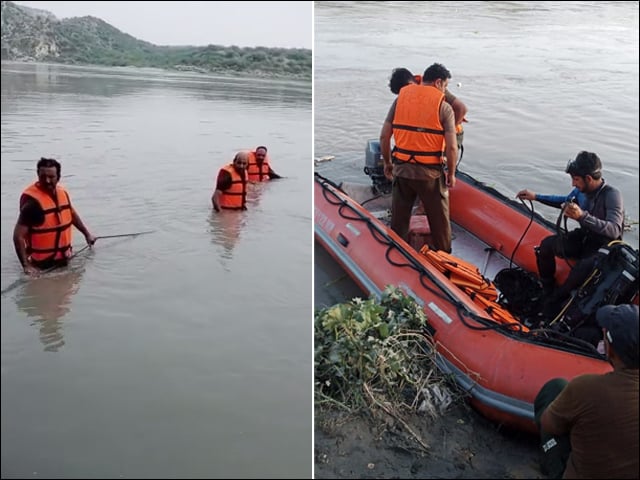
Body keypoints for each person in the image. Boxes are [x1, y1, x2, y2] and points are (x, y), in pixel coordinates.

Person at [534, 303, 638, 479]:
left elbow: (548, 423)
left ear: (610, 347)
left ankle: (553, 469)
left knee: (554, 389)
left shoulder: (585, 388)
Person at [516, 152, 624, 302]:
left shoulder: (612, 195)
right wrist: (536, 197)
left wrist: (582, 216)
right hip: (584, 237)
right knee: (546, 245)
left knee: (579, 271)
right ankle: (547, 287)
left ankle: (557, 300)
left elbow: (614, 230)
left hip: (603, 247)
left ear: (588, 178)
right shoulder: (581, 191)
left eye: (576, 179)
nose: (573, 184)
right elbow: (564, 201)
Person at [380, 62, 458, 252]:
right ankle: (445, 261)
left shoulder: (400, 100)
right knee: (440, 225)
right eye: (446, 86)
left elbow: (384, 136)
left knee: (399, 222)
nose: (445, 90)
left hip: (402, 170)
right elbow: (452, 148)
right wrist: (452, 173)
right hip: (430, 174)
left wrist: (388, 163)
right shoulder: (444, 107)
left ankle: (397, 255)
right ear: (439, 83)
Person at [13, 157, 96, 276]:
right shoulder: (32, 204)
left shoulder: (62, 193)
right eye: (42, 177)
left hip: (65, 260)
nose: (47, 181)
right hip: (41, 266)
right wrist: (26, 266)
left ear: (58, 177)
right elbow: (18, 236)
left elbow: (71, 214)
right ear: (38, 175)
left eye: (51, 177)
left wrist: (87, 234)